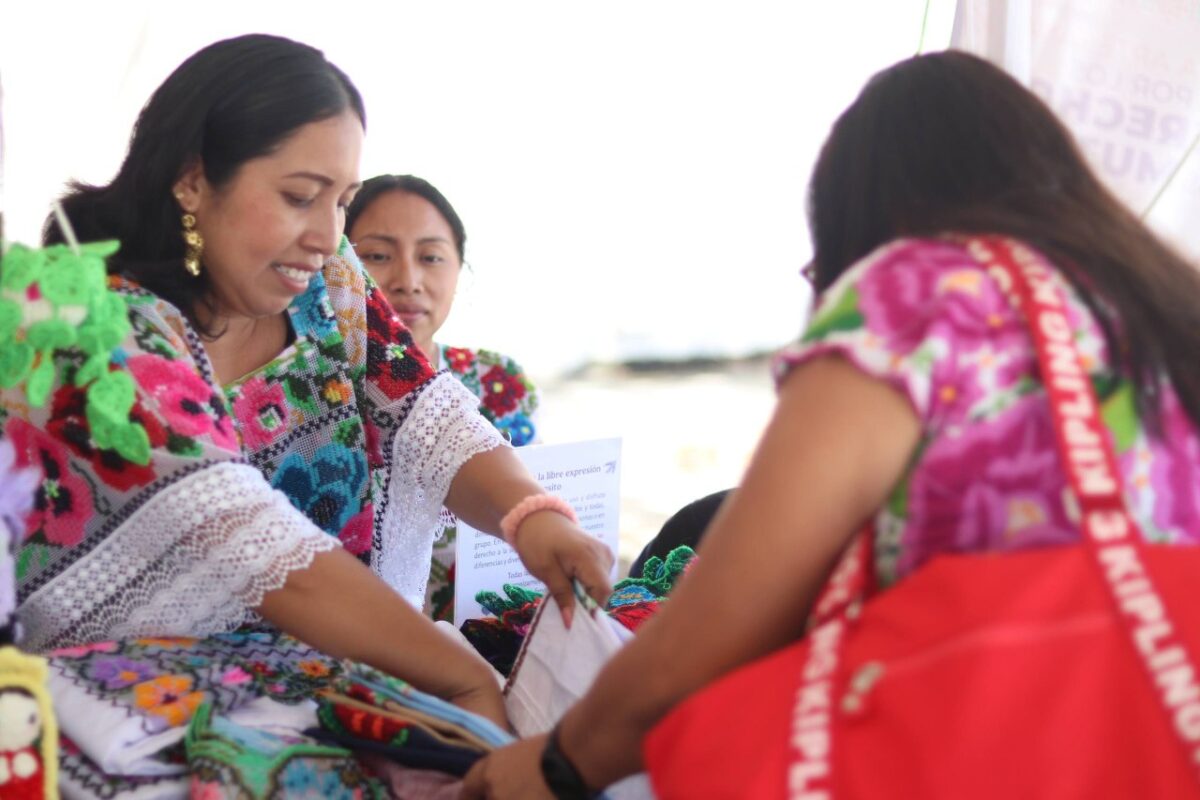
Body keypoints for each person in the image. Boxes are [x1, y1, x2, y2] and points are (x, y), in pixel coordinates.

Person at [462, 49, 1200, 797]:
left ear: (864, 210)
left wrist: (557, 762)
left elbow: (715, 629)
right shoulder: (1161, 308)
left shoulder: (916, 293)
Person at [9, 34, 612, 729]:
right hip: (124, 717)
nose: (328, 235)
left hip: (309, 683)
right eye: (300, 197)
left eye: (342, 201)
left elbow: (428, 414)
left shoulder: (327, 284)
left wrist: (532, 515)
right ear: (192, 179)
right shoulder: (93, 327)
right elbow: (260, 547)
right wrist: (463, 681)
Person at [345, 175, 541, 619]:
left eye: (431, 257)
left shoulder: (499, 382)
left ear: (459, 271)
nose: (408, 281)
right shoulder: (312, 393)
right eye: (377, 256)